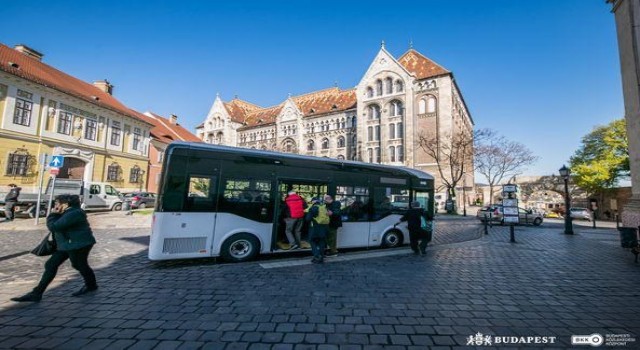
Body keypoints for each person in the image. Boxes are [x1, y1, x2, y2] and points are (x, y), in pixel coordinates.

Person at [11, 194, 98, 302]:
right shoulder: (68, 212)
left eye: (57, 203)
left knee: (79, 265)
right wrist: (57, 214)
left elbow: (54, 226)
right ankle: (37, 293)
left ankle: (91, 285)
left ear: (65, 204)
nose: (55, 205)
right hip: (68, 244)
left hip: (78, 244)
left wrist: (53, 214)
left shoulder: (74, 213)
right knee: (51, 264)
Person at [306, 197, 329, 264]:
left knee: (311, 241)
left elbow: (308, 219)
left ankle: (317, 255)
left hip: (315, 228)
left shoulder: (312, 208)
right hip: (324, 228)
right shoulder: (324, 208)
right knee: (322, 242)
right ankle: (321, 257)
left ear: (313, 202)